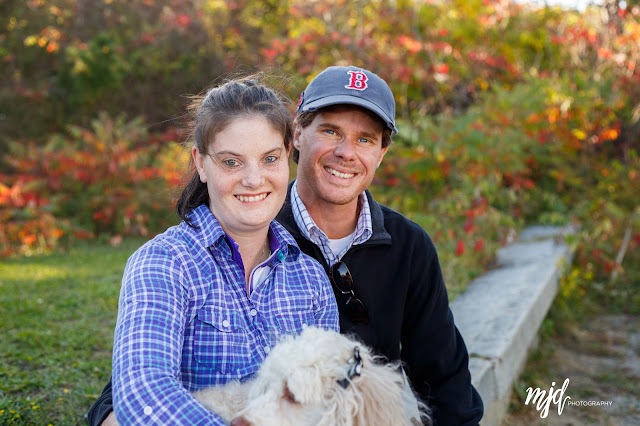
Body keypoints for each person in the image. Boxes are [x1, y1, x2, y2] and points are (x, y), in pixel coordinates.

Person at [89, 66, 483, 425]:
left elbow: (441, 376)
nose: (346, 152)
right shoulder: (194, 248)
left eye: (364, 138)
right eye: (330, 131)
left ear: (381, 153)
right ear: (298, 135)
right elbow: (140, 389)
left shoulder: (357, 261)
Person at [105, 76, 339, 425]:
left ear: (287, 157)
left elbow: (331, 396)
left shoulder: (310, 278)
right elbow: (143, 393)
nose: (253, 179)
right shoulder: (164, 264)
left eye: (269, 159)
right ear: (201, 163)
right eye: (231, 162)